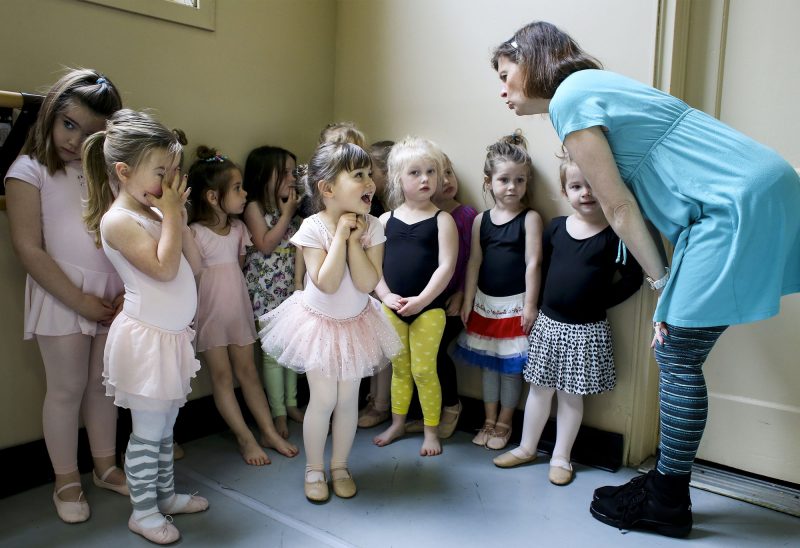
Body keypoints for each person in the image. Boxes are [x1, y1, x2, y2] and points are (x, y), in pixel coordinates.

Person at [492, 21, 800, 537]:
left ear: (531, 59)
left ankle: (666, 500)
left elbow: (616, 205)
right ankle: (665, 485)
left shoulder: (570, 97)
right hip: (756, 189)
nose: (502, 90)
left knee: (676, 353)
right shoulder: (597, 86)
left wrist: (661, 286)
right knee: (678, 351)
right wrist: (670, 281)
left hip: (731, 207)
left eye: (505, 74)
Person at [5, 68, 127, 523]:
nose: (76, 141)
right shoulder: (27, 169)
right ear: (51, 115)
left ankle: (105, 466)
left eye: (92, 133)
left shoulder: (108, 174)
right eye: (69, 125)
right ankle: (65, 478)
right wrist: (78, 300)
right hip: (61, 296)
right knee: (65, 390)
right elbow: (28, 248)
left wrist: (122, 294)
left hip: (110, 297)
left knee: (103, 387)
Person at [83, 109, 208, 544]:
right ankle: (143, 511)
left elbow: (195, 264)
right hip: (146, 341)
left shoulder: (157, 212)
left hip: (171, 338)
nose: (171, 182)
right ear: (124, 171)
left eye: (176, 171)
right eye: (162, 172)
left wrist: (176, 214)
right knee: (148, 432)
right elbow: (163, 266)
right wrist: (171, 215)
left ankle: (165, 496)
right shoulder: (119, 221)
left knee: (166, 428)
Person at [258, 142, 401, 502]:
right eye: (358, 176)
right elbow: (326, 281)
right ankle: (314, 468)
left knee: (348, 398)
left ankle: (340, 465)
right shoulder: (313, 227)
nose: (369, 182)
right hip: (318, 324)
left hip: (355, 324)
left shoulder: (373, 227)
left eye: (369, 174)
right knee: (323, 398)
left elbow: (369, 283)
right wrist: (339, 236)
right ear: (327, 189)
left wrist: (355, 241)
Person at [493, 151, 642, 486]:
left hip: (585, 331)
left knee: (571, 397)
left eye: (592, 185)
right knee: (539, 391)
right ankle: (527, 447)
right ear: (565, 192)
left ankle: (561, 456)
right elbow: (540, 267)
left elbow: (632, 279)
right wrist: (534, 304)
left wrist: (599, 301)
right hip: (548, 325)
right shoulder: (557, 228)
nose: (585, 192)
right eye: (576, 186)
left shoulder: (614, 235)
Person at [186, 146, 299, 465]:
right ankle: (245, 437)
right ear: (212, 197)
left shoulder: (238, 229)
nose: (244, 193)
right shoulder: (194, 232)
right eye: (237, 188)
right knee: (222, 378)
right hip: (210, 314)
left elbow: (240, 265)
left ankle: (267, 430)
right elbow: (195, 275)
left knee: (249, 372)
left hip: (238, 310)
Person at [455, 133, 542, 451]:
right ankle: (488, 420)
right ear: (488, 181)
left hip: (514, 307)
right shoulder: (481, 220)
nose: (512, 187)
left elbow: (533, 264)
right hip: (485, 305)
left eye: (520, 180)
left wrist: (530, 306)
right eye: (504, 179)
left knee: (509, 370)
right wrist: (467, 300)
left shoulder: (530, 219)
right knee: (489, 367)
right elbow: (474, 262)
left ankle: (505, 422)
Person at [372, 136, 458, 456]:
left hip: (428, 309)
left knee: (424, 370)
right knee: (400, 369)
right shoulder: (385, 221)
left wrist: (421, 300)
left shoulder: (442, 220)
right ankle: (397, 423)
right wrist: (385, 295)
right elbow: (374, 267)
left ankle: (431, 430)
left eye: (431, 172)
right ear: (398, 179)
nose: (425, 179)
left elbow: (446, 267)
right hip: (392, 307)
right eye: (415, 173)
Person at [406, 154, 477, 438]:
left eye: (450, 172)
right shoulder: (425, 215)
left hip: (450, 299)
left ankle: (451, 406)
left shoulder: (465, 215)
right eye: (439, 174)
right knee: (413, 358)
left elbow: (470, 259)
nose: (446, 180)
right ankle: (424, 415)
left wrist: (461, 293)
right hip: (423, 298)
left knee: (433, 353)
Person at [241, 145, 305, 439]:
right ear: (267, 175)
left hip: (290, 287)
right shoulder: (254, 207)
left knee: (293, 348)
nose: (293, 177)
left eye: (294, 171)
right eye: (286, 172)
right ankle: (277, 411)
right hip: (265, 290)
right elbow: (265, 244)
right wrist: (286, 213)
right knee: (272, 353)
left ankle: (292, 403)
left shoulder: (290, 206)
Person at [357, 139, 394, 429]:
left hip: (392, 284)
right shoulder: (375, 208)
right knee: (375, 345)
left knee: (385, 347)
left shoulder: (396, 211)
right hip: (376, 282)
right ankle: (374, 398)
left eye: (372, 174)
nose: (367, 181)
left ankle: (381, 403)